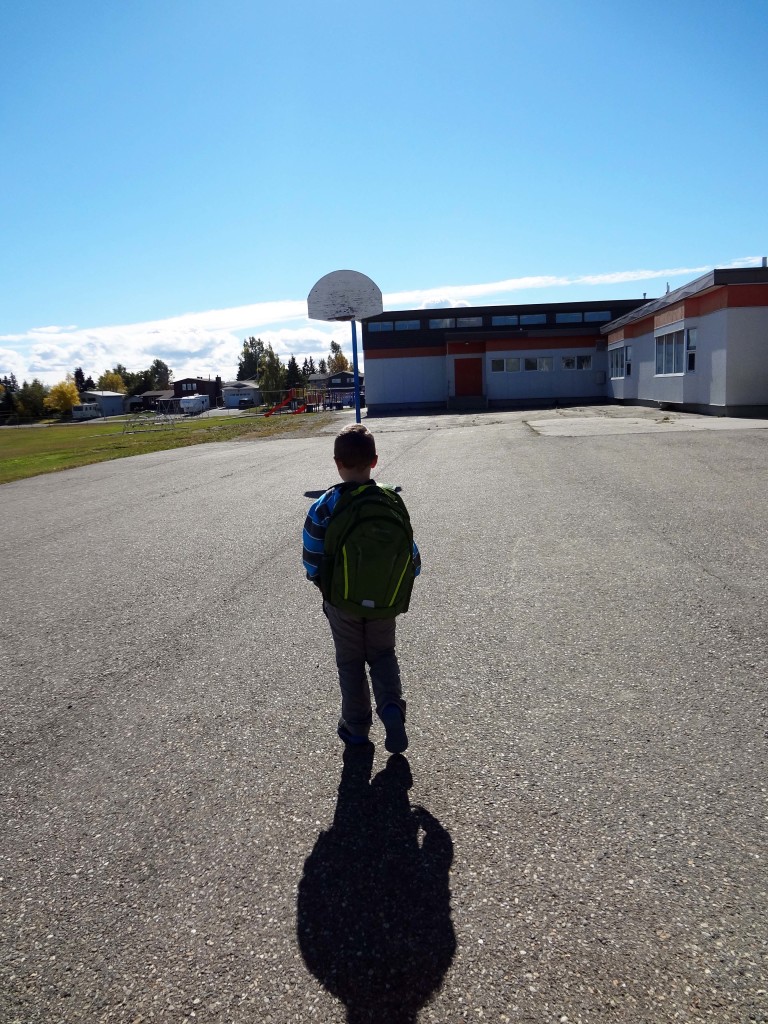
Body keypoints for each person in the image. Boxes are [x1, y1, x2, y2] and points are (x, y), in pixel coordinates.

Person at [302, 423, 421, 753]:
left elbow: (311, 553)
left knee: (351, 663)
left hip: (342, 602)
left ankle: (356, 729)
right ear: (375, 461)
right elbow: (411, 554)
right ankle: (391, 708)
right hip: (384, 600)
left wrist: (321, 582)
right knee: (383, 655)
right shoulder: (389, 499)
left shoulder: (326, 504)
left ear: (337, 463)